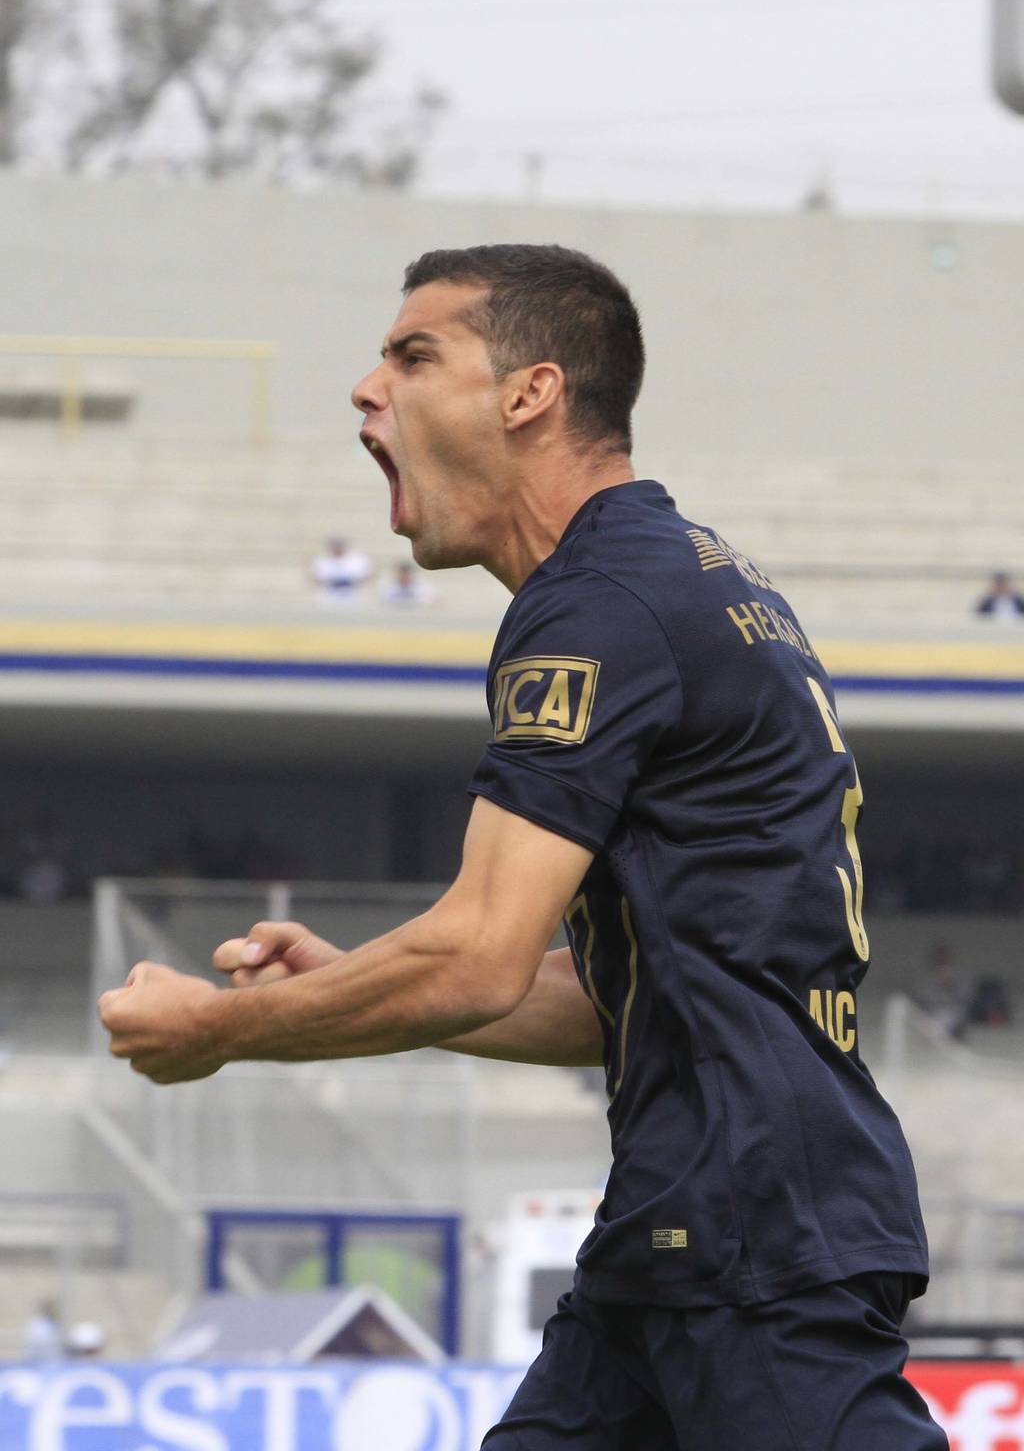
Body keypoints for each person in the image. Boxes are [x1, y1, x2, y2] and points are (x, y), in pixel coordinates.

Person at [99, 244, 947, 1450]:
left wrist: (218, 1032)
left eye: (413, 355)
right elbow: (628, 992)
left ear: (528, 394)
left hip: (750, 1229)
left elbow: (477, 958)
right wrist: (350, 982)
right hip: (690, 1228)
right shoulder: (687, 578)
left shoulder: (601, 605)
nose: (366, 388)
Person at [309, 536, 372, 602]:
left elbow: (366, 575)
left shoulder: (357, 560)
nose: (338, 549)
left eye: (339, 546)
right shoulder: (322, 561)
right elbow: (316, 578)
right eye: (335, 546)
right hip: (329, 595)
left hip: (353, 594)